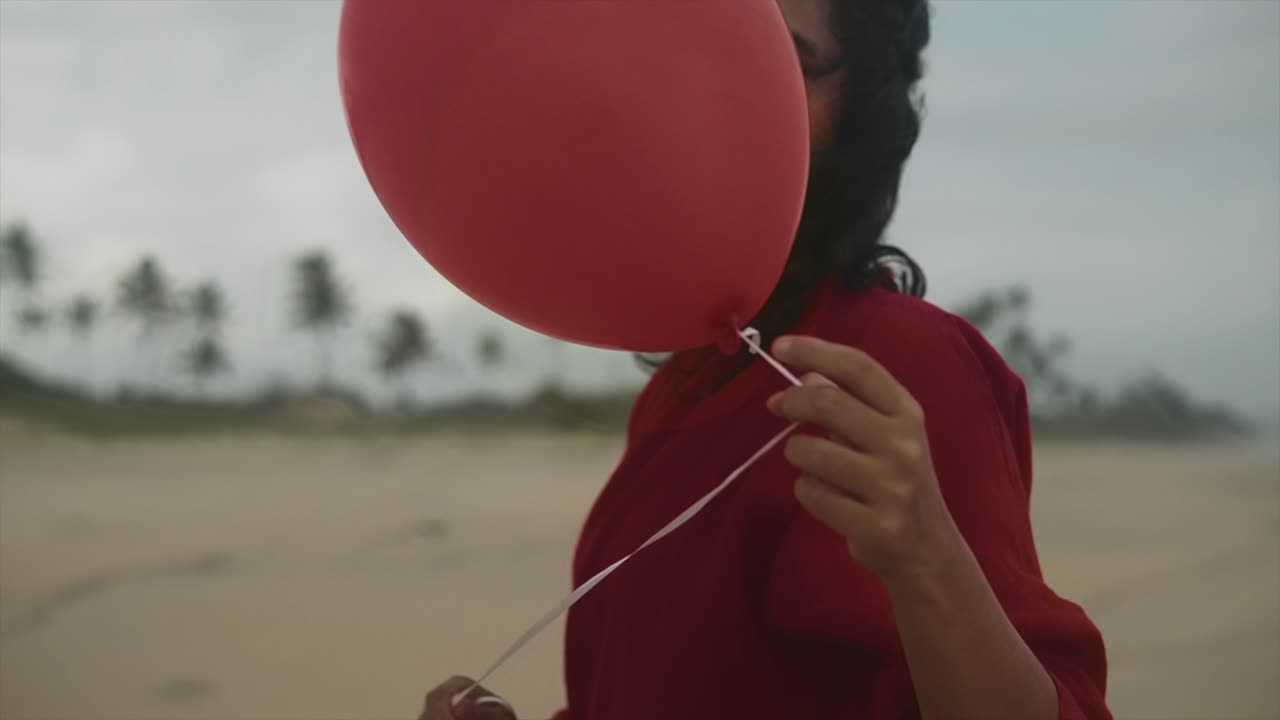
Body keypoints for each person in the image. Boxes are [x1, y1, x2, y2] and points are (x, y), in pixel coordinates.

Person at [421, 0, 1112, 718]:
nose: (736, 91)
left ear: (862, 109)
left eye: (790, 61)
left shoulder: (896, 365)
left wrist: (928, 559)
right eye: (713, 52)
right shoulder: (681, 385)